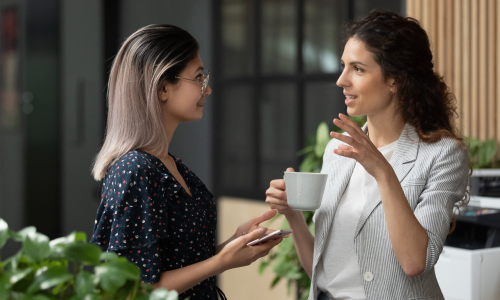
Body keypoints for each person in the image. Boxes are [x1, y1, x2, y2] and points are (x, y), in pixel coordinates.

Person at [265, 10, 470, 300]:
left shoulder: (442, 155)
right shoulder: (337, 151)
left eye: (358, 69)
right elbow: (323, 276)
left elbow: (415, 262)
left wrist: (382, 171)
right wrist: (293, 216)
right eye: (343, 66)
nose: (341, 80)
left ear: (394, 80)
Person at [90, 24, 283, 300]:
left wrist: (233, 247)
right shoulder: (135, 170)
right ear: (163, 88)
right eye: (199, 78)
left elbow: (176, 267)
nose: (208, 89)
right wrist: (221, 261)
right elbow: (136, 290)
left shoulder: (169, 164)